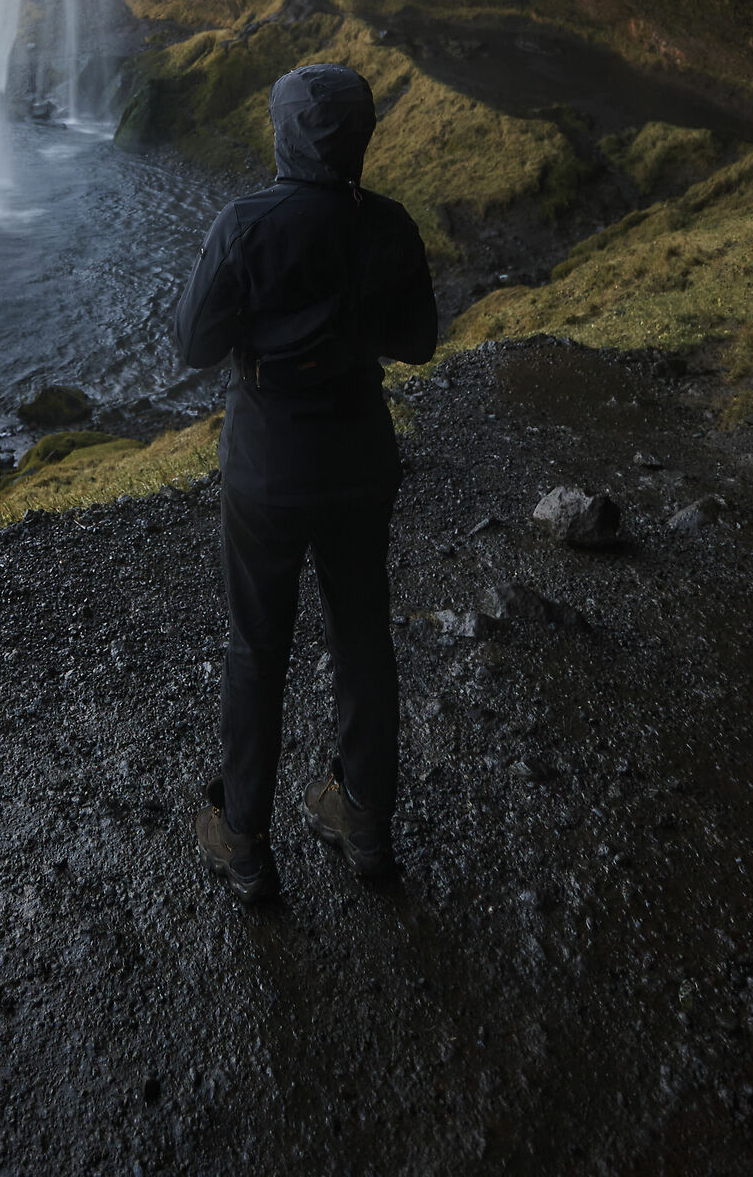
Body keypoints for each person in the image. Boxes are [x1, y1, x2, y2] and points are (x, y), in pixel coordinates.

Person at [173, 61, 436, 901]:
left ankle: (244, 840)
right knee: (362, 637)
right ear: (360, 137)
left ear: (284, 134)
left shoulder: (246, 223)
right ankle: (365, 826)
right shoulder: (390, 224)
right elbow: (419, 341)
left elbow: (193, 344)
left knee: (257, 646)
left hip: (267, 468)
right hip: (360, 458)